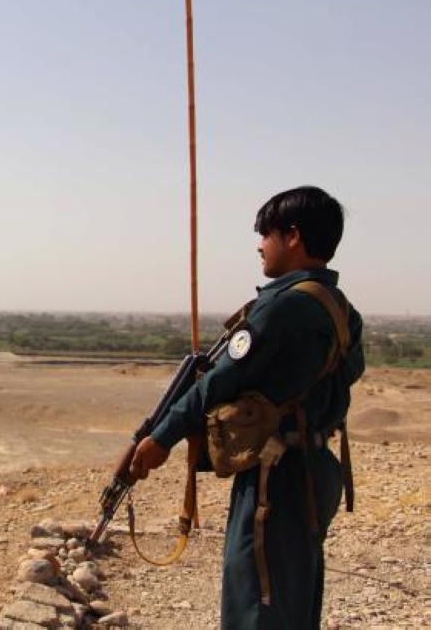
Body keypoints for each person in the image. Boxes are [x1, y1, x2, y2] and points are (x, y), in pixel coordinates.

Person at [129, 186, 365, 629]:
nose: (260, 245)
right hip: (316, 467)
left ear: (292, 237)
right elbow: (347, 374)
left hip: (275, 480)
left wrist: (160, 439)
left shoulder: (284, 307)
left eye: (266, 234)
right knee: (293, 591)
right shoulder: (341, 308)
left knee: (258, 596)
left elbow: (218, 383)